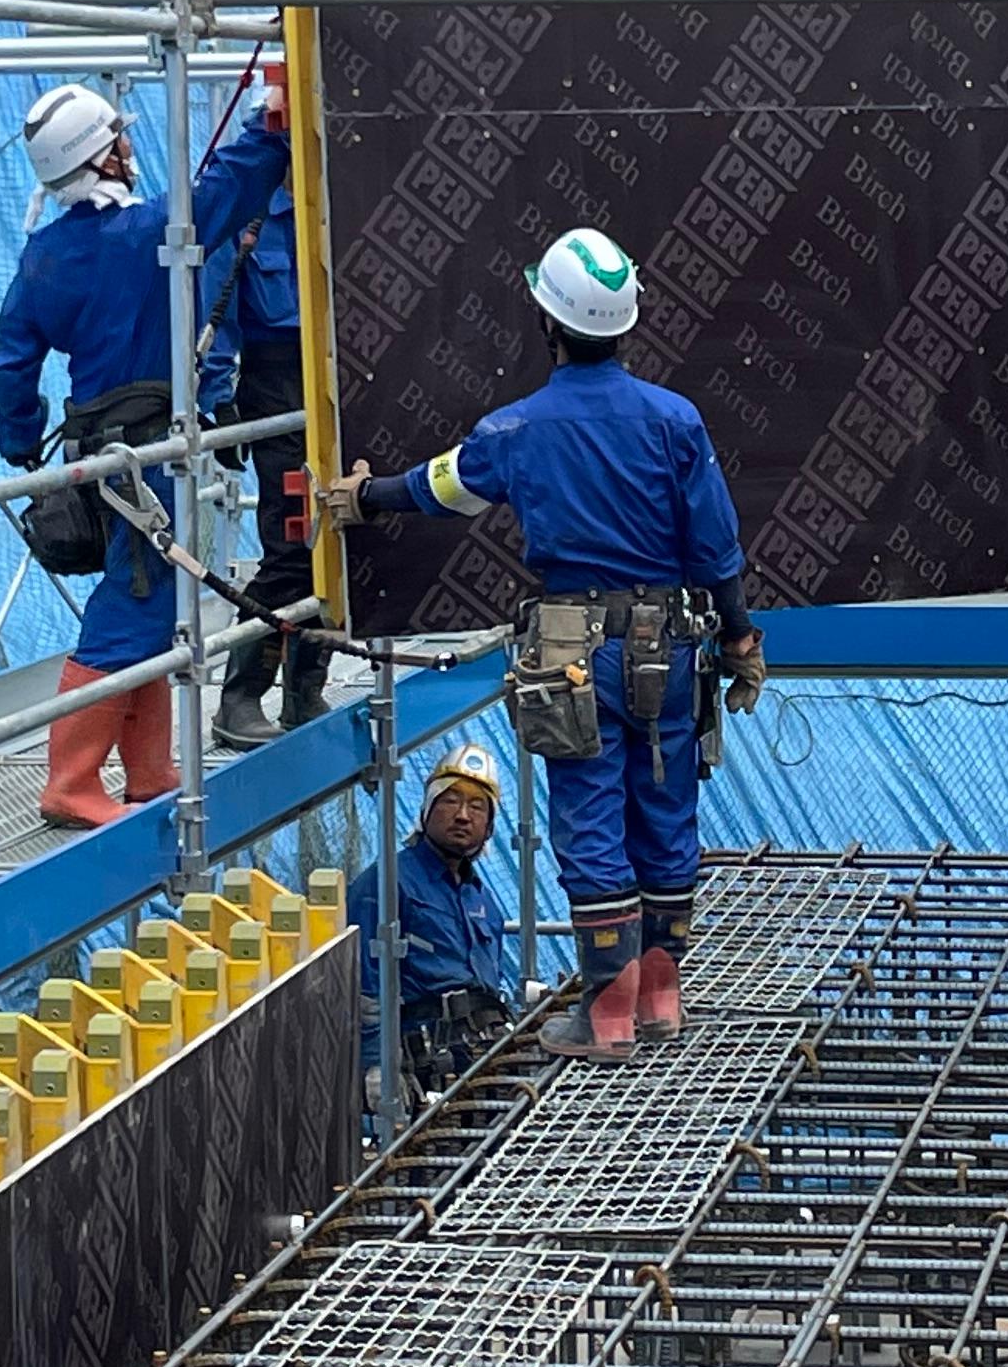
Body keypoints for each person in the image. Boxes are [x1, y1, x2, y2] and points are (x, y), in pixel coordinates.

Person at [318, 224, 765, 1060]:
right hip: (671, 645)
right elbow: (716, 548)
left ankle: (607, 1015)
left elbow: (439, 487)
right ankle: (662, 1000)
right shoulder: (676, 421)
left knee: (591, 815)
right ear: (626, 322)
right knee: (666, 805)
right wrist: (739, 637)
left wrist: (365, 497)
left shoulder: (515, 430)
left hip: (572, 651)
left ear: (547, 322)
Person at [0, 76, 291, 830]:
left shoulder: (44, 255)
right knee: (135, 601)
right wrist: (270, 123)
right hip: (147, 454)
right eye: (119, 138)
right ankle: (71, 780)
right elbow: (227, 189)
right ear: (103, 157)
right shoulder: (151, 233)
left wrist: (20, 436)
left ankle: (149, 769)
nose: (129, 146)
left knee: (151, 601)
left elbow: (11, 358)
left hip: (98, 445)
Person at [204, 194, 329, 750]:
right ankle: (241, 696)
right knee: (291, 546)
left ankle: (305, 688)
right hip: (276, 384)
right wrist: (219, 402)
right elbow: (215, 313)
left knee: (335, 539)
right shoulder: (246, 209)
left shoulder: (333, 194)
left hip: (336, 373)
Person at [344, 743, 515, 1097]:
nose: (463, 815)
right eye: (450, 800)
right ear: (427, 809)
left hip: (484, 1057)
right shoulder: (386, 883)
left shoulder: (482, 900)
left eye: (477, 806)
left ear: (489, 827)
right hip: (426, 1065)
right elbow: (365, 987)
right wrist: (377, 1065)